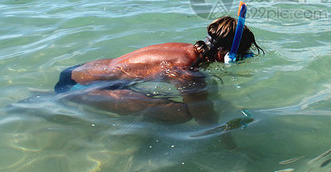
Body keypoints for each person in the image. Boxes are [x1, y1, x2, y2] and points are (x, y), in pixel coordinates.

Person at [55, 16, 263, 126]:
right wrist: (230, 142)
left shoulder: (187, 50)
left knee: (195, 99)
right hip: (79, 85)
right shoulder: (187, 71)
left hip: (80, 71)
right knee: (182, 114)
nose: (244, 58)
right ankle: (57, 99)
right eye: (242, 54)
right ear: (225, 53)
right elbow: (204, 119)